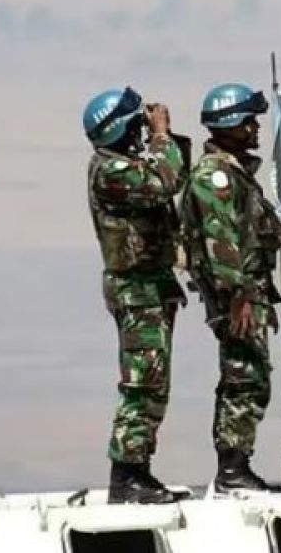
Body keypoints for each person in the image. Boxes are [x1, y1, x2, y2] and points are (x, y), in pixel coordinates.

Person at [83, 87, 192, 504]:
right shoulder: (111, 172)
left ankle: (137, 472)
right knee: (142, 384)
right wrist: (162, 136)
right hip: (137, 291)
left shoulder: (123, 165)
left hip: (149, 286)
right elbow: (164, 182)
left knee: (152, 382)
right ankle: (127, 476)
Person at [181, 82, 281, 493]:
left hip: (248, 292)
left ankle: (236, 466)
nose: (255, 128)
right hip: (236, 296)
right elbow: (220, 241)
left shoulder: (234, 173)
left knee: (251, 375)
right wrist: (238, 296)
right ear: (229, 125)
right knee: (244, 377)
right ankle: (232, 470)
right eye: (248, 120)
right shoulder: (216, 176)